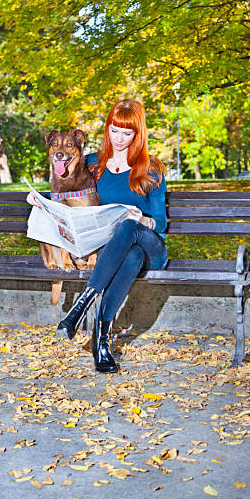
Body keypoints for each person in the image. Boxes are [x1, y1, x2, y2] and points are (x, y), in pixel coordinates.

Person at [56, 99, 168, 374]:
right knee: (130, 256)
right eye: (114, 130)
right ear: (107, 129)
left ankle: (80, 307)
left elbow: (162, 222)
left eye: (126, 133)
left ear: (137, 134)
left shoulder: (151, 169)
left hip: (151, 247)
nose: (119, 138)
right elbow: (67, 189)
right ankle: (102, 339)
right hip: (118, 251)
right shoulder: (93, 164)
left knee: (129, 228)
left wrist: (140, 218)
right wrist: (41, 201)